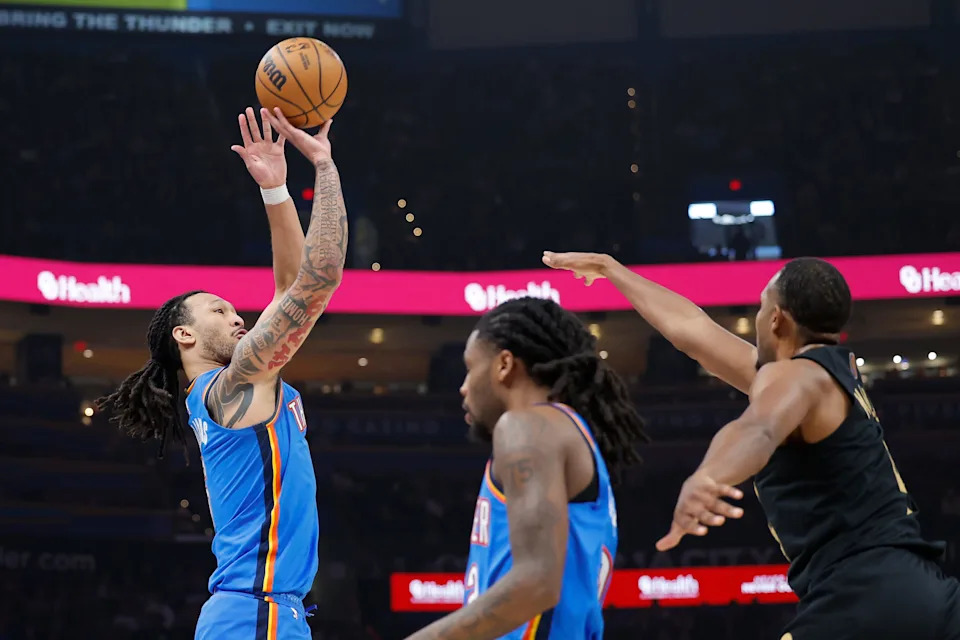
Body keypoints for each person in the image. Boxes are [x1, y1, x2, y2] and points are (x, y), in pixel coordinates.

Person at [543, 251, 960, 640]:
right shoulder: (818, 376)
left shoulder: (797, 377)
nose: (758, 317)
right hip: (920, 590)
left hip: (866, 597)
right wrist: (613, 270)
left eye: (761, 307)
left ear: (776, 319)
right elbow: (694, 333)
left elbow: (757, 429)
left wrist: (709, 475)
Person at [97, 107, 348, 640]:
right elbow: (316, 280)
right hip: (257, 612)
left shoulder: (229, 388)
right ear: (183, 336)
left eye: (235, 310)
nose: (236, 316)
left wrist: (276, 192)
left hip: (257, 612)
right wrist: (324, 167)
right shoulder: (234, 384)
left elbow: (287, 290)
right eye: (217, 310)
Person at [405, 297, 650, 640]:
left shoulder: (526, 427)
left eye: (470, 367)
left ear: (504, 364)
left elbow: (536, 583)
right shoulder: (564, 433)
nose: (463, 387)